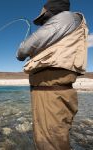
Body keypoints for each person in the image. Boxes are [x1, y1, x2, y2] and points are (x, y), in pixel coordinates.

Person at [16, 0, 88, 150]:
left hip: (50, 91)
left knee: (49, 141)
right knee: (57, 136)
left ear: (50, 11)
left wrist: (22, 49)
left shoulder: (64, 18)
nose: (43, 24)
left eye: (44, 19)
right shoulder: (68, 24)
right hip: (53, 90)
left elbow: (24, 49)